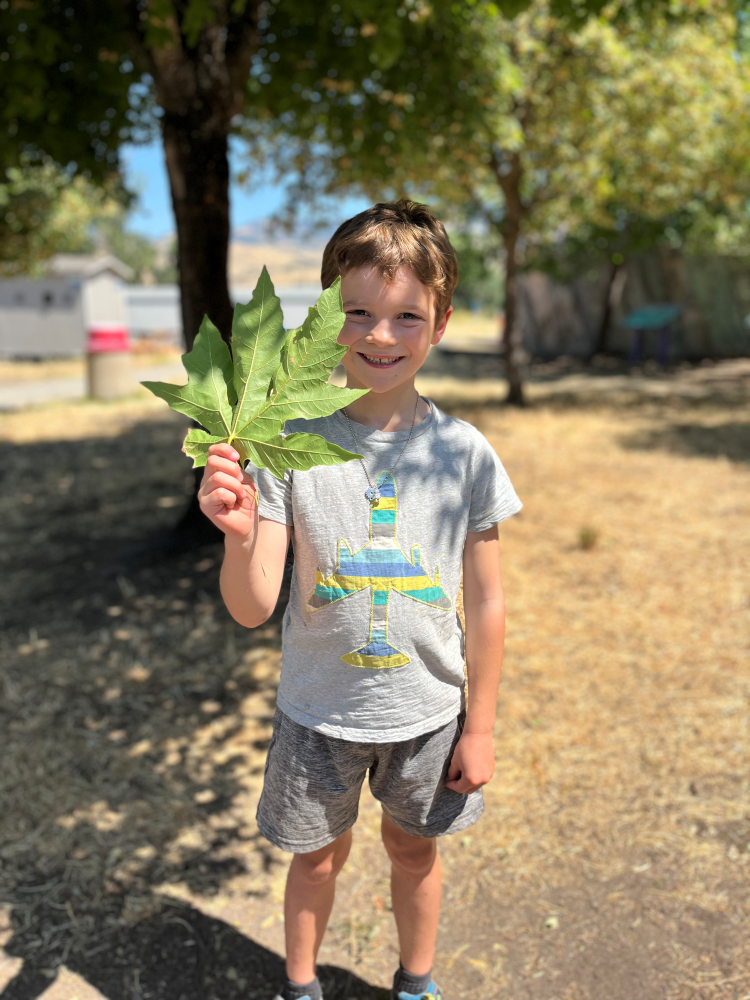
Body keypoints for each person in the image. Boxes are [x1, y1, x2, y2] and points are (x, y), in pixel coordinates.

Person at [197, 200, 522, 1000]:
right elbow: (251, 605)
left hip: (428, 714)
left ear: (440, 323)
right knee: (315, 857)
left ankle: (415, 982)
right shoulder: (284, 448)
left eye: (408, 315)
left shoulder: (465, 453)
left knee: (414, 852)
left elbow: (484, 604)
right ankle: (301, 985)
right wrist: (238, 534)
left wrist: (479, 727)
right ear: (323, 321)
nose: (381, 334)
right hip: (317, 713)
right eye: (359, 312)